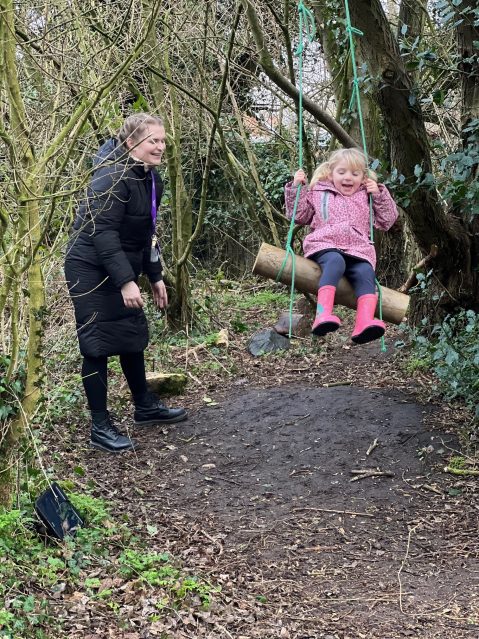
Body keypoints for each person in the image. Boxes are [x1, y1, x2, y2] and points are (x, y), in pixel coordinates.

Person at [65, 113, 187, 454]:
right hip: (89, 268)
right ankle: (100, 426)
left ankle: (144, 406)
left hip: (120, 266)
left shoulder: (152, 180)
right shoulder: (109, 177)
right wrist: (124, 282)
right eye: (154, 141)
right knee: (97, 344)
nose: (161, 147)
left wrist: (155, 275)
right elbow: (101, 233)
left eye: (163, 141)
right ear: (132, 142)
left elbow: (146, 234)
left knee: (132, 336)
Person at [284, 148, 398, 344]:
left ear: (363, 177)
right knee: (335, 261)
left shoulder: (367, 196)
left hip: (358, 248)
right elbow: (298, 216)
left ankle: (364, 323)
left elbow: (387, 220)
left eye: (355, 174)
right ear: (331, 172)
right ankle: (323, 314)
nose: (348, 178)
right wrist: (296, 188)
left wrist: (379, 194)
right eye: (342, 172)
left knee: (365, 272)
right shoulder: (319, 192)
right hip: (325, 244)